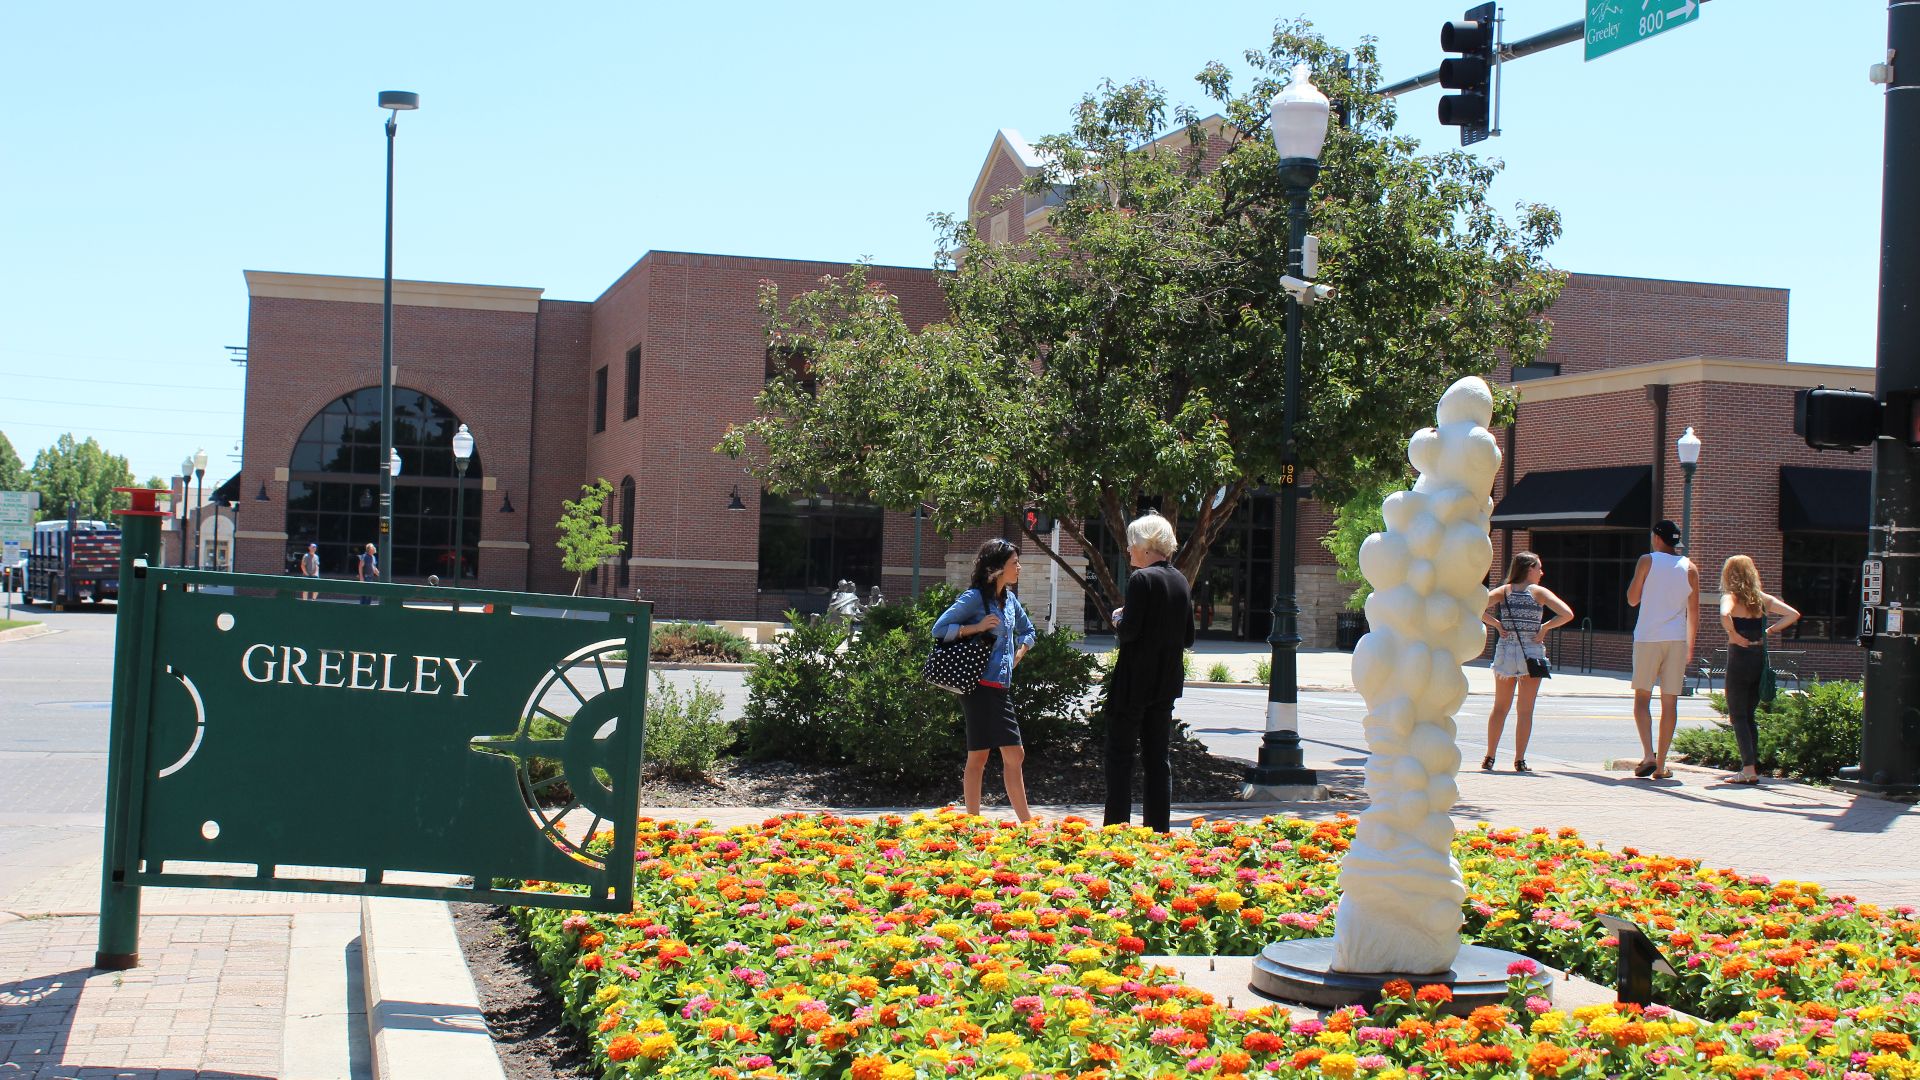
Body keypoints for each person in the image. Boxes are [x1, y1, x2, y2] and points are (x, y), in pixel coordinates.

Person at [931, 539, 1038, 821]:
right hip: (978, 686)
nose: (1019, 568)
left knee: (981, 756)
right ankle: (1024, 824)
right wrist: (976, 627)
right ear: (996, 569)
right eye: (1014, 563)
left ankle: (974, 823)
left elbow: (1029, 630)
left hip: (1000, 686)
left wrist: (1021, 650)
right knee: (1012, 754)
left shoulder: (1011, 601)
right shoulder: (975, 598)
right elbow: (939, 629)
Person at [1103, 512, 1195, 832]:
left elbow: (1129, 632)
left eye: (1132, 543)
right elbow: (1188, 637)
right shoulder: (1180, 580)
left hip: (1134, 683)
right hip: (1166, 682)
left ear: (1145, 545)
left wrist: (1118, 618)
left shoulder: (1141, 580)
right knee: (1158, 759)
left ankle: (1117, 828)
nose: (1129, 550)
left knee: (1120, 757)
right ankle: (1159, 830)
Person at [1479, 552, 1575, 774]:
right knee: (1525, 710)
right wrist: (1545, 627)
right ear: (1529, 568)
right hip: (1531, 650)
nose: (1542, 573)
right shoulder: (1539, 592)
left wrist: (1496, 624)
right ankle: (1519, 760)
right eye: (1539, 568)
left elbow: (1476, 607)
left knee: (1500, 707)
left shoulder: (1504, 591)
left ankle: (1490, 756)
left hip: (1506, 648)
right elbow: (1567, 613)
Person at [1626, 520, 1700, 780]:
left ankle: (1648, 754)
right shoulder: (1690, 567)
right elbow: (1694, 613)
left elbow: (1632, 599)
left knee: (1642, 698)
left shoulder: (1647, 561)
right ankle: (1661, 765)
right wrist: (1690, 646)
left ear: (1657, 537)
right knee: (1670, 702)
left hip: (1648, 636)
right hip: (1677, 640)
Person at [1718, 555, 1801, 785]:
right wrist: (1771, 631)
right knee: (1750, 715)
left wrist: (1734, 635)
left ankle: (1748, 769)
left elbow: (1725, 614)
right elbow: (1793, 615)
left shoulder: (1731, 597)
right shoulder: (1762, 599)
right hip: (1758, 660)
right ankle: (1752, 767)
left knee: (1738, 716)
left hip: (1738, 659)